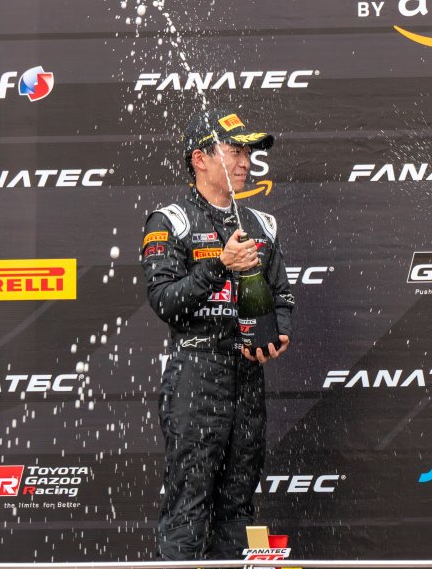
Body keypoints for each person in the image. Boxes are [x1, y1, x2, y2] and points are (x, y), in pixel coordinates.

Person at [140, 109, 294, 560]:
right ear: (200, 159)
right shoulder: (171, 221)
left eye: (248, 152)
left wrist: (278, 333)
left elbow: (282, 296)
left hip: (247, 376)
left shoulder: (263, 224)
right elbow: (164, 301)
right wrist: (219, 265)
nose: (246, 162)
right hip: (196, 372)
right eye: (234, 151)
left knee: (239, 506)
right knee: (188, 505)